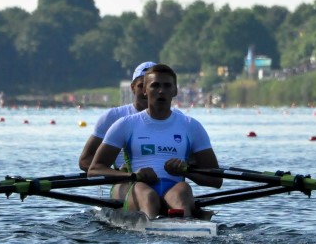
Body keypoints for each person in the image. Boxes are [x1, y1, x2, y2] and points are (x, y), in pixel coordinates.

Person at [88, 64, 221, 219]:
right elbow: (94, 170)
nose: (161, 91)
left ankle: (183, 224)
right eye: (155, 85)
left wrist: (185, 172)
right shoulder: (125, 124)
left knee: (182, 190)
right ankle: (153, 226)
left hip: (174, 188)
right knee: (148, 196)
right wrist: (133, 175)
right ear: (145, 90)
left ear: (175, 91)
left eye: (167, 86)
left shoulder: (191, 126)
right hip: (138, 187)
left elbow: (216, 180)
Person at [78, 61, 156, 172]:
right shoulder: (112, 117)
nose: (146, 92)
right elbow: (85, 161)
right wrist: (120, 174)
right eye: (141, 86)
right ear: (132, 87)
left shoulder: (177, 119)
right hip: (125, 180)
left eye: (152, 86)